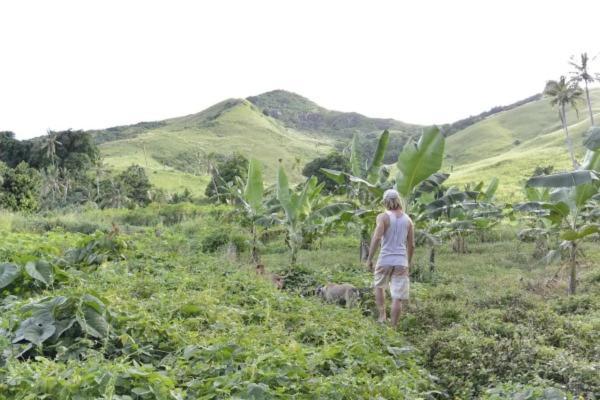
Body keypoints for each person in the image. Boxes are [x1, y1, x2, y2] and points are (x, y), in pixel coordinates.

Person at [366, 189, 414, 327]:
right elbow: (412, 245)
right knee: (397, 297)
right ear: (399, 200)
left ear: (385, 202)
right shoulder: (408, 220)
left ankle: (382, 316)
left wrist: (369, 258)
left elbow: (377, 237)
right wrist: (408, 262)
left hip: (385, 259)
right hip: (401, 261)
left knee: (379, 287)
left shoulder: (383, 217)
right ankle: (393, 327)